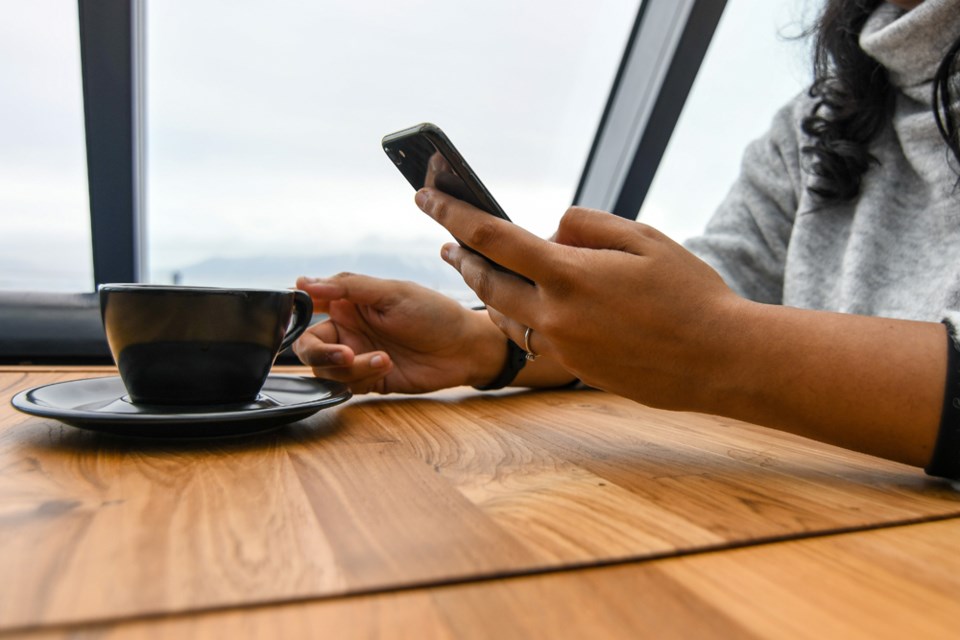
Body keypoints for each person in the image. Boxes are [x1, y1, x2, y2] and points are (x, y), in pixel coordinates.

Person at [293, 0, 960, 479]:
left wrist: (718, 345)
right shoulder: (816, 121)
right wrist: (487, 344)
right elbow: (714, 298)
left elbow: (714, 333)